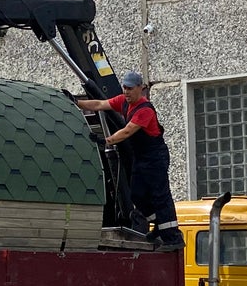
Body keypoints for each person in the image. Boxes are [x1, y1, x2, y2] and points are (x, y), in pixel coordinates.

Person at [77, 71, 181, 248]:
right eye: (124, 87)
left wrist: (105, 141)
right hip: (141, 157)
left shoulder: (145, 110)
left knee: (160, 196)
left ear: (141, 88)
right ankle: (158, 224)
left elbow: (127, 131)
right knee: (137, 194)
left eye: (130, 88)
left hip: (156, 158)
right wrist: (76, 102)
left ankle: (173, 238)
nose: (126, 91)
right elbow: (99, 104)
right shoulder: (123, 102)